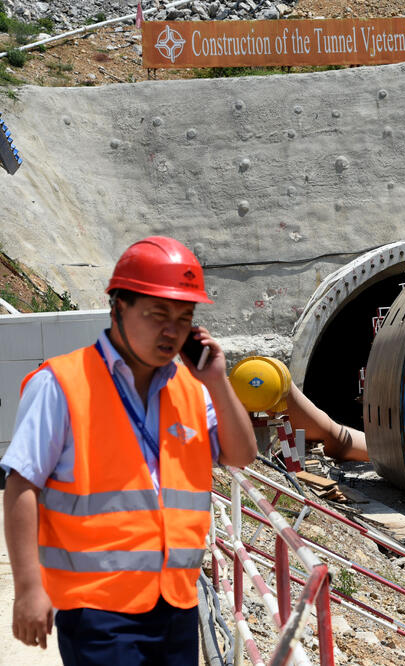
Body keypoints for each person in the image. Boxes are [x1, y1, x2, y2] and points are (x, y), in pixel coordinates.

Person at [1, 236, 257, 664]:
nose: (172, 331)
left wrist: (216, 380)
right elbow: (21, 485)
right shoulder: (61, 384)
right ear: (118, 307)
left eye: (184, 318)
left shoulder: (194, 389)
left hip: (176, 603)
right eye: (158, 314)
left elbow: (242, 455)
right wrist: (29, 588)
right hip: (97, 608)